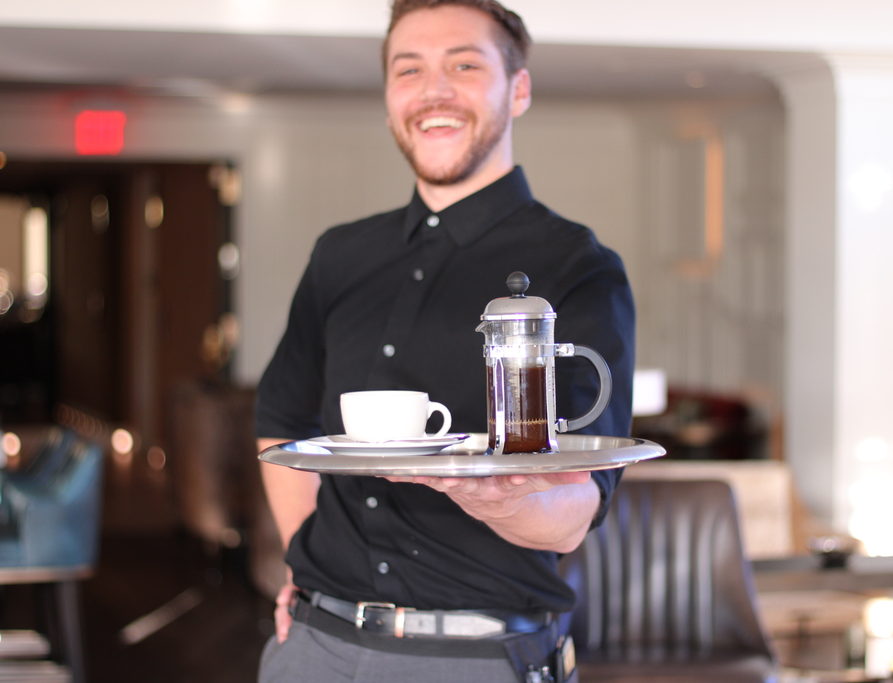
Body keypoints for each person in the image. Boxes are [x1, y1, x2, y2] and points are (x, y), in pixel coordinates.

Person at [254, 1, 635, 681]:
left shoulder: (579, 266)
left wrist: (501, 499)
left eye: (464, 66)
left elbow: (577, 508)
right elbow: (283, 418)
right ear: (388, 99)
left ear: (518, 89)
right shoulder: (339, 255)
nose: (434, 91)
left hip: (476, 657)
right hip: (312, 645)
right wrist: (298, 560)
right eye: (409, 70)